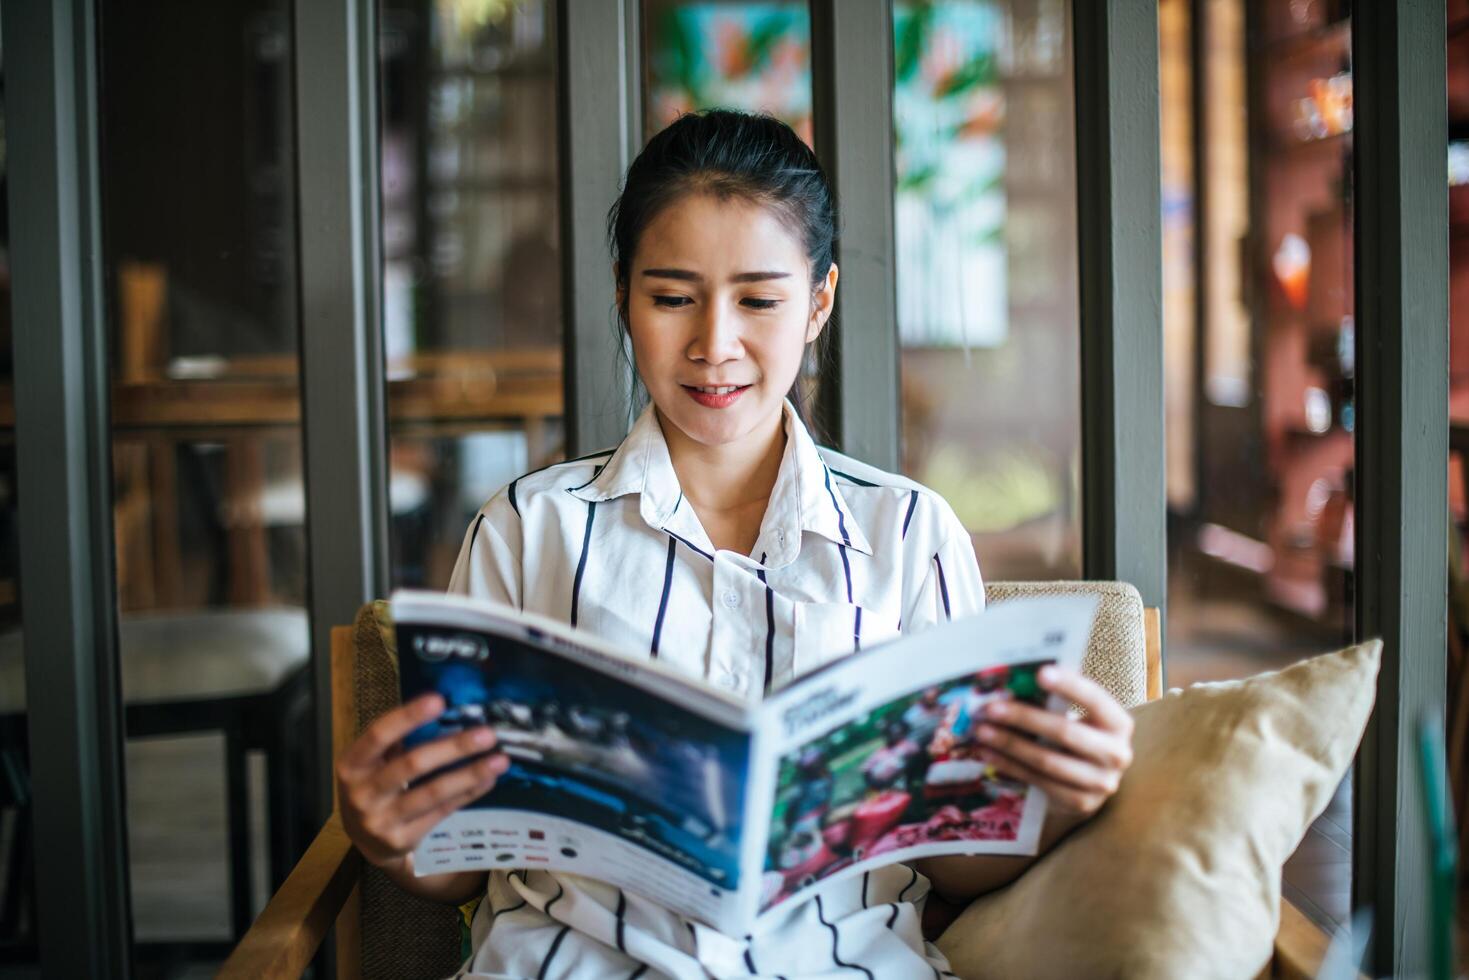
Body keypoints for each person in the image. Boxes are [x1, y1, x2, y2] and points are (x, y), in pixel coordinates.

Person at [334, 109, 1136, 979]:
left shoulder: (907, 533)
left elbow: (950, 859)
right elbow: (461, 863)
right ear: (623, 295)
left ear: (819, 301)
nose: (714, 345)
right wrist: (387, 836)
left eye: (758, 299)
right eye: (671, 297)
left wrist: (1058, 803)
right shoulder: (530, 527)